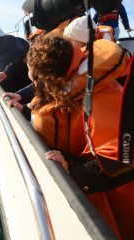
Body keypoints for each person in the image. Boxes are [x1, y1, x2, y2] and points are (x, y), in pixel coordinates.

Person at [26, 35, 134, 239]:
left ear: (48, 78)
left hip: (124, 201)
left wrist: (71, 173)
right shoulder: (75, 82)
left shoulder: (99, 101)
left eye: (32, 74)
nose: (29, 76)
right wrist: (24, 107)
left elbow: (121, 162)